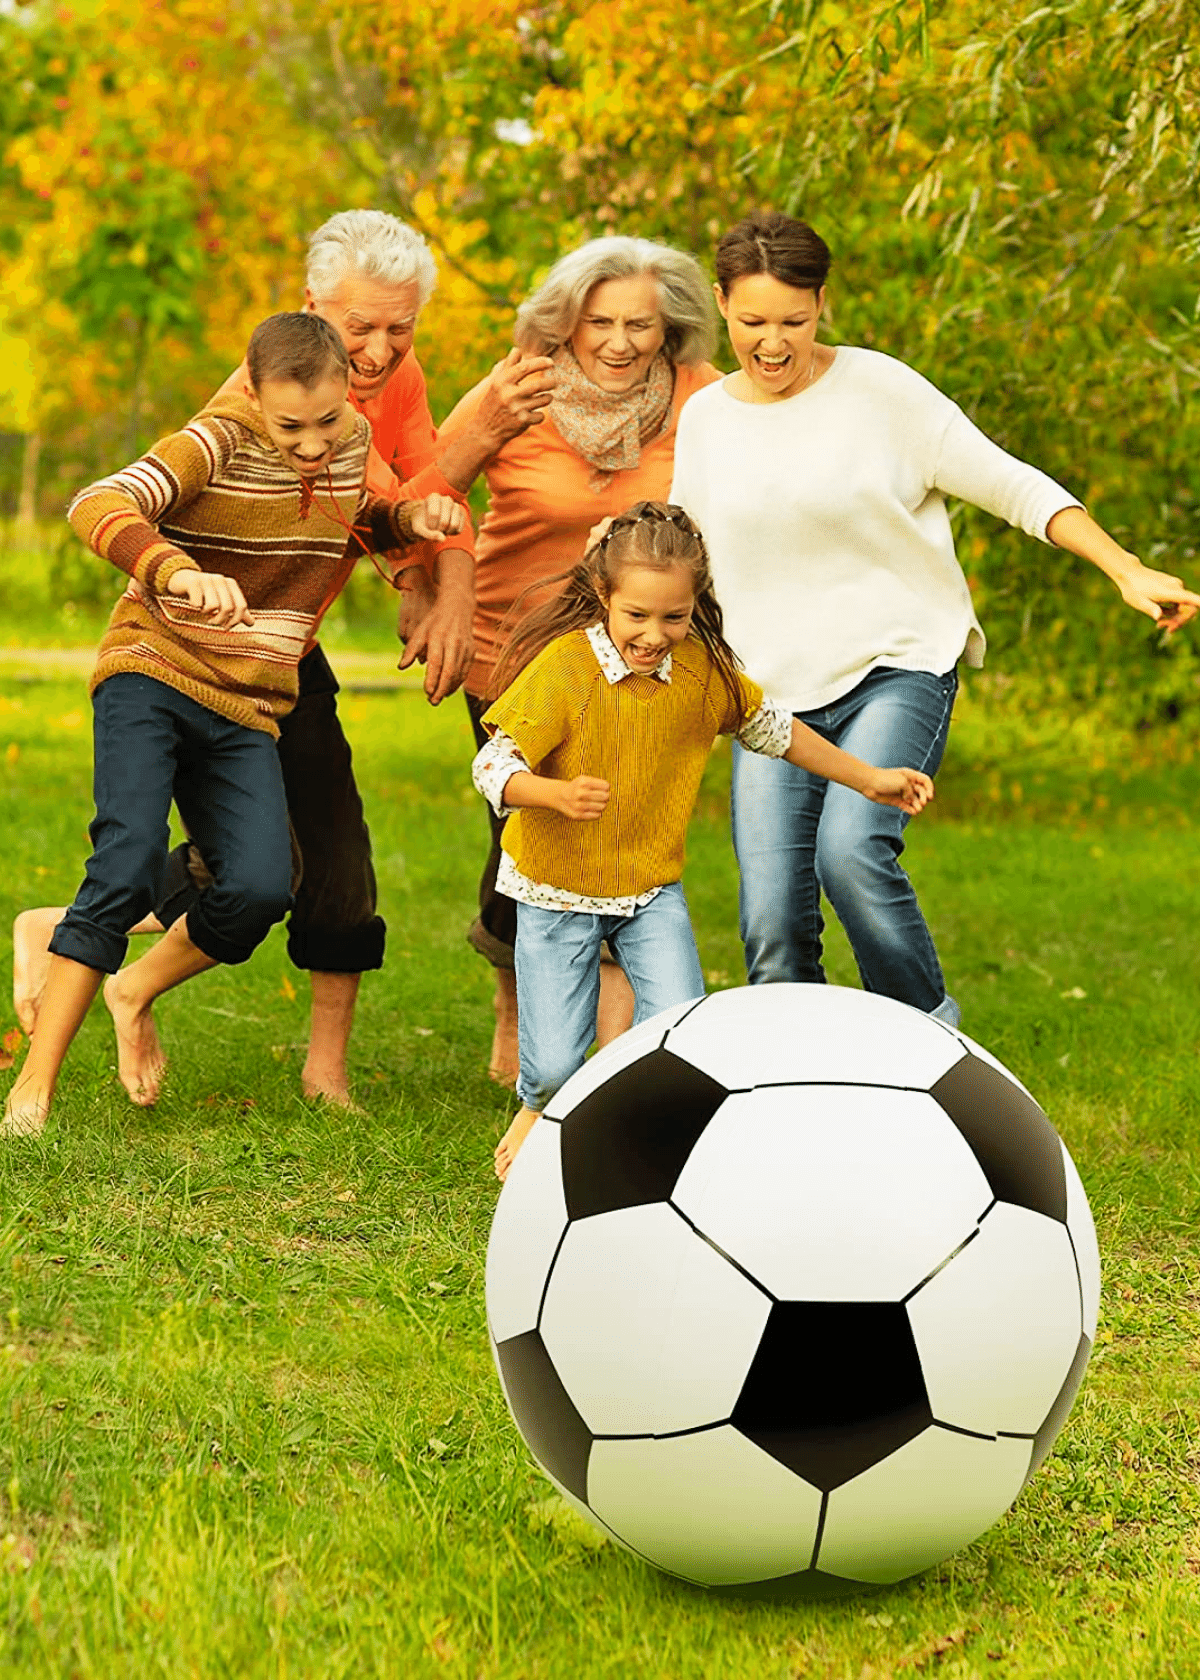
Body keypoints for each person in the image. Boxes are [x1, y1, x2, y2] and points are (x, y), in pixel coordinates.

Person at [11, 208, 554, 1105]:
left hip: (276, 655)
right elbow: (384, 491)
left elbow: (404, 497)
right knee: (195, 855)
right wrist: (475, 438)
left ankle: (296, 1058)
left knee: (308, 864)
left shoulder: (374, 394)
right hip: (182, 649)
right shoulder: (259, 411)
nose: (381, 351)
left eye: (400, 327)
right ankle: (62, 1018)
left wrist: (437, 569)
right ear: (313, 307)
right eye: (360, 328)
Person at [669, 209, 1200, 1024]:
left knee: (851, 851)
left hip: (897, 664)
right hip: (769, 696)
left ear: (822, 304)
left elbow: (1010, 482)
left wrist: (1123, 566)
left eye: (793, 321)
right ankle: (795, 1092)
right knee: (773, 925)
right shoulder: (708, 419)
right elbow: (688, 554)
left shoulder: (882, 392)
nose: (772, 342)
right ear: (720, 303)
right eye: (751, 322)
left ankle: (929, 1047)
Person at [471, 502, 934, 1179]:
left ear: (696, 605)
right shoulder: (565, 669)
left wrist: (867, 779)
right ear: (604, 597)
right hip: (555, 887)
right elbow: (492, 764)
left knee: (680, 1028)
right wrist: (552, 794)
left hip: (649, 888)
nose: (655, 635)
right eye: (636, 615)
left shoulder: (699, 672)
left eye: (674, 617)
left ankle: (642, 1140)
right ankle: (538, 1104)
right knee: (552, 1065)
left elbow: (773, 728)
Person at [438, 235, 723, 1085]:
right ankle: (518, 1002)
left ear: (670, 326)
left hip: (645, 657)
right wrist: (438, 599)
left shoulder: (704, 401)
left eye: (641, 323)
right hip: (516, 654)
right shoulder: (516, 386)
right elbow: (433, 488)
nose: (620, 341)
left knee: (618, 833)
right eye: (600, 321)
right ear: (564, 322)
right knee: (530, 835)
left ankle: (603, 1055)